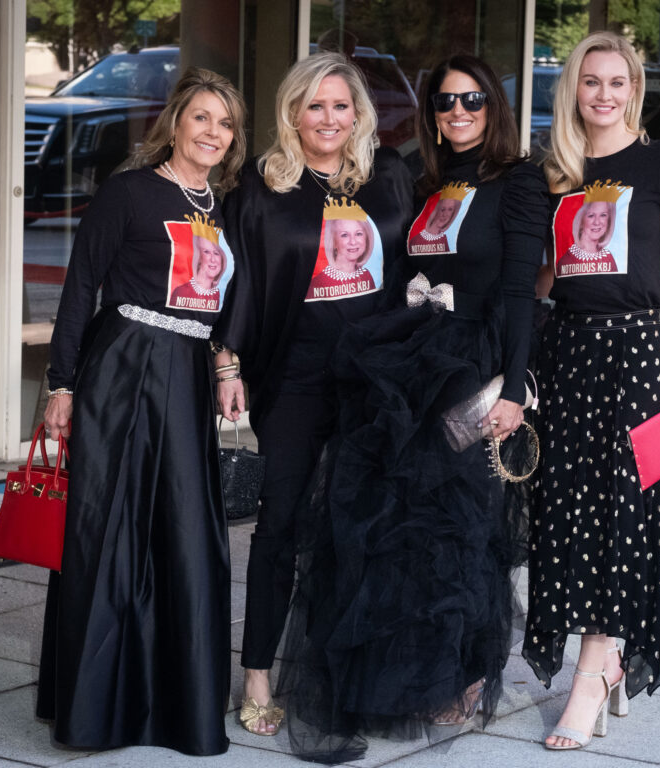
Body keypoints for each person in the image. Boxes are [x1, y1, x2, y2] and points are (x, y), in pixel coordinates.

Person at [276, 54, 549, 762]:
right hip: (407, 365)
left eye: (472, 101)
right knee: (398, 535)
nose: (457, 113)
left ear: (495, 107)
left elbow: (521, 292)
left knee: (461, 532)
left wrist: (514, 389)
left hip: (468, 369)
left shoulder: (517, 179)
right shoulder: (424, 180)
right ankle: (402, 677)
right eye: (444, 103)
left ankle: (462, 674)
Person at [37, 66, 246, 756]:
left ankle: (176, 704)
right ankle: (97, 710)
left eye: (226, 123)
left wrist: (224, 363)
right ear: (176, 122)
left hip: (186, 376)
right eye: (203, 118)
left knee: (187, 534)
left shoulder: (224, 206)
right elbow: (79, 288)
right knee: (109, 532)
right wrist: (61, 385)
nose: (214, 132)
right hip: (122, 369)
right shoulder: (128, 193)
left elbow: (224, 305)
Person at [213, 52, 413, 738]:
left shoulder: (387, 179)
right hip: (295, 376)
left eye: (341, 105)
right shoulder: (260, 187)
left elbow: (416, 269)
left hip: (373, 378)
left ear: (359, 114)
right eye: (314, 105)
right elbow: (238, 282)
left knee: (363, 527)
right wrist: (228, 365)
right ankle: (259, 672)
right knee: (282, 525)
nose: (328, 118)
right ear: (292, 112)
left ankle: (343, 669)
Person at [522, 31, 660, 751]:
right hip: (568, 352)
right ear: (574, 90)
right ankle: (608, 661)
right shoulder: (556, 169)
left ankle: (592, 674)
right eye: (590, 83)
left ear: (634, 88)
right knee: (567, 514)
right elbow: (545, 275)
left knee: (624, 518)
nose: (602, 95)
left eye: (616, 83)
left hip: (638, 353)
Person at [305, 212, 378, 300]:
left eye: (358, 234)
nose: (353, 242)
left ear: (367, 239)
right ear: (334, 242)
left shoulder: (366, 275)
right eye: (344, 235)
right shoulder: (318, 282)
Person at [169, 231, 228, 310]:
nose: (213, 259)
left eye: (216, 253)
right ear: (198, 257)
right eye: (206, 252)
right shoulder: (182, 292)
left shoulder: (217, 294)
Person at [556, 198, 617, 274]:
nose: (597, 222)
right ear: (580, 221)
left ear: (609, 221)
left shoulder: (609, 258)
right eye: (591, 216)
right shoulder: (566, 261)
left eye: (603, 215)